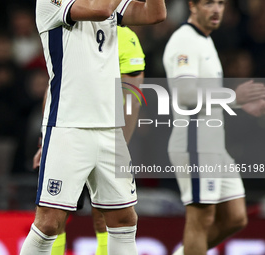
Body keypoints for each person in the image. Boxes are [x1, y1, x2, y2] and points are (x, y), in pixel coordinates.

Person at [20, 0, 166, 255]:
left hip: (109, 129)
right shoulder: (52, 2)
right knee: (49, 223)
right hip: (69, 127)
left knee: (125, 220)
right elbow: (101, 10)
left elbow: (155, 13)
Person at [162, 1, 265, 255]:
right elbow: (185, 95)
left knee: (235, 217)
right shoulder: (184, 41)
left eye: (220, 3)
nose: (217, 9)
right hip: (194, 142)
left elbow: (207, 98)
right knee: (201, 219)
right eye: (209, 3)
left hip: (212, 144)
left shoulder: (205, 41)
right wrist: (234, 97)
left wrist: (239, 105)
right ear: (192, 6)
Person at [50, 26, 146, 255]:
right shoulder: (71, 29)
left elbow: (132, 97)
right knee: (52, 216)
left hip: (104, 136)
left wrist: (119, 146)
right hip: (66, 133)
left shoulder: (124, 36)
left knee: (105, 215)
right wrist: (45, 139)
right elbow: (54, 84)